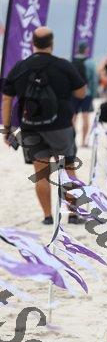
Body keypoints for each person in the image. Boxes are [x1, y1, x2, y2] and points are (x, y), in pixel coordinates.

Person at [1, 26, 86, 225]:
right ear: (52, 43)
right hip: (61, 127)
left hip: (30, 127)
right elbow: (81, 92)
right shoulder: (63, 65)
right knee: (67, 170)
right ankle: (73, 215)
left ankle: (47, 217)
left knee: (41, 174)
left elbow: (7, 98)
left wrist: (7, 128)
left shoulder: (20, 67)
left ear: (33, 43)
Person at [72, 40, 98, 147]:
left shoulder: (72, 61)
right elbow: (94, 81)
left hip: (74, 93)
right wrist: (93, 94)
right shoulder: (91, 63)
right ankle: (83, 142)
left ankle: (71, 141)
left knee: (73, 118)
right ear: (86, 50)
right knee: (85, 117)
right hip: (86, 93)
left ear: (78, 49)